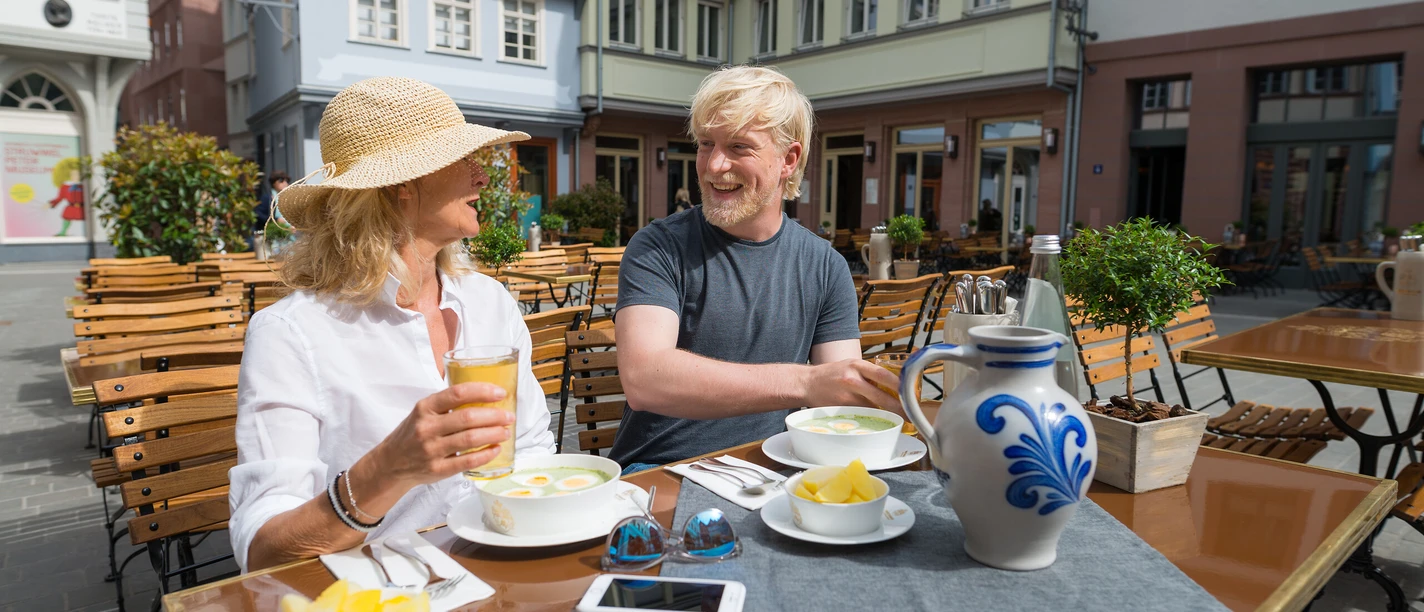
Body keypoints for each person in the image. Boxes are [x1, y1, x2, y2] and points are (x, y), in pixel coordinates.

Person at [230, 77, 556, 572]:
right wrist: (387, 470)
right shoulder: (291, 333)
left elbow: (530, 448)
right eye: (462, 158)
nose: (481, 177)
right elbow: (265, 551)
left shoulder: (489, 301)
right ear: (404, 183)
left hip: (503, 568)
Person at [611, 66, 899, 472]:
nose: (713, 166)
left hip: (777, 467)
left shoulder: (824, 265)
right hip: (664, 469)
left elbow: (838, 395)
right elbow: (645, 378)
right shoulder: (659, 246)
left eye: (739, 147)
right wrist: (804, 382)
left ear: (788, 159)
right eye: (706, 144)